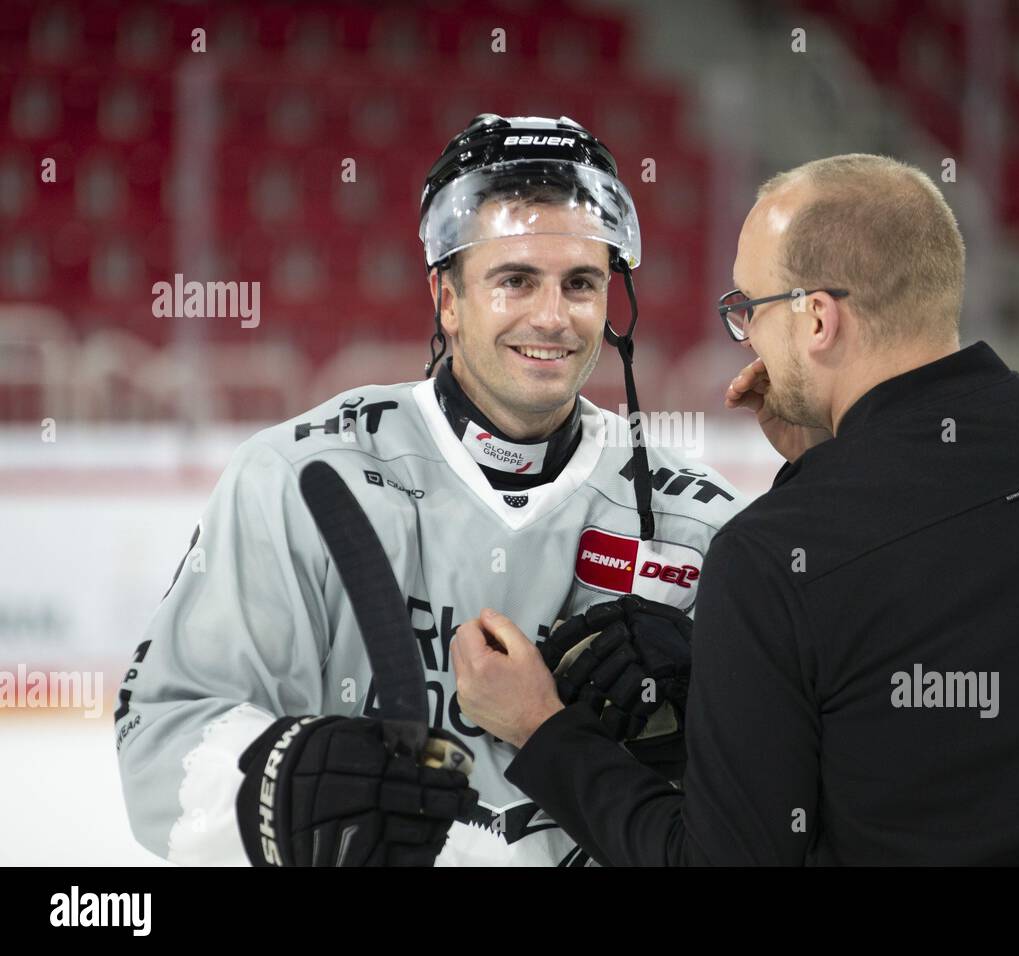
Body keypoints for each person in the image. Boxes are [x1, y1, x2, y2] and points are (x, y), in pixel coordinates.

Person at [453, 153, 1019, 866]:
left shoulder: (771, 556)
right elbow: (951, 560)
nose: (744, 331)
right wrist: (828, 462)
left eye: (749, 307)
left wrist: (540, 730)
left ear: (817, 319)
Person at [114, 114, 746, 867]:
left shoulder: (693, 518)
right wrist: (281, 787)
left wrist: (707, 684)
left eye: (581, 283)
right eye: (515, 280)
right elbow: (161, 738)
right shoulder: (299, 481)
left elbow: (775, 801)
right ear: (447, 298)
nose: (553, 316)